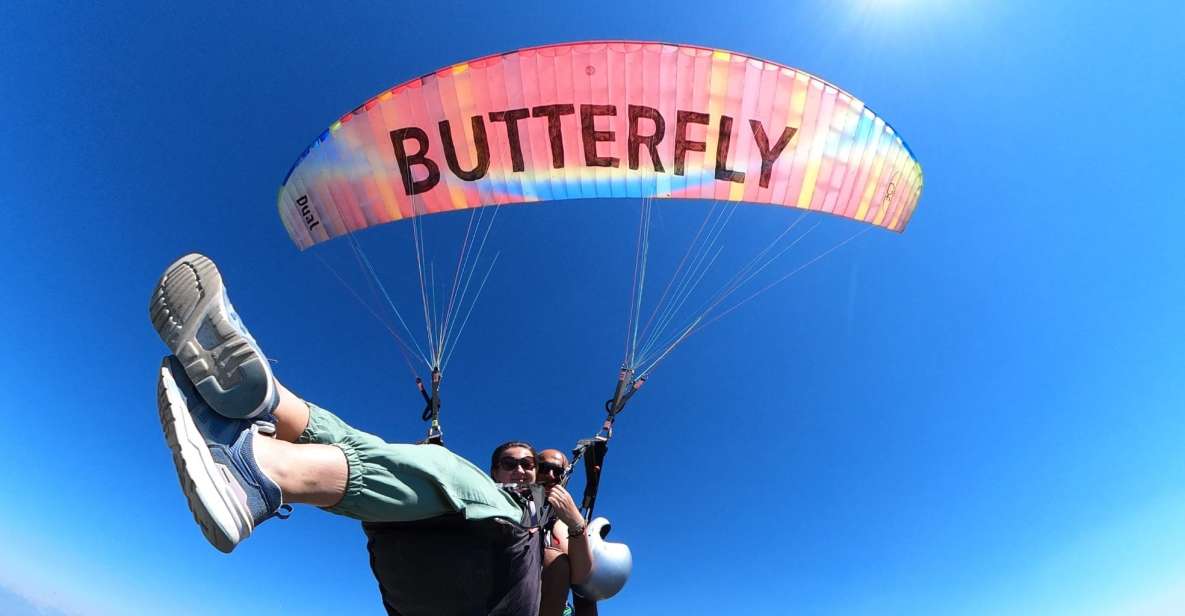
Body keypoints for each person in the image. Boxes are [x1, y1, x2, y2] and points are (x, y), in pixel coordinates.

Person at [149, 253, 587, 616]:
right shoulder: (490, 497)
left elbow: (580, 580)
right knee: (380, 453)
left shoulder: (550, 519)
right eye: (513, 463)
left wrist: (575, 525)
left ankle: (260, 472)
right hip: (427, 572)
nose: (529, 471)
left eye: (541, 467)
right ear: (496, 467)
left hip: (497, 594)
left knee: (442, 468)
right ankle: (271, 404)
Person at [536, 450, 598, 616]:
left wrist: (575, 523)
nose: (550, 475)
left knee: (555, 559)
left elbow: (582, 578)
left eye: (558, 472)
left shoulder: (562, 523)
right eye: (544, 468)